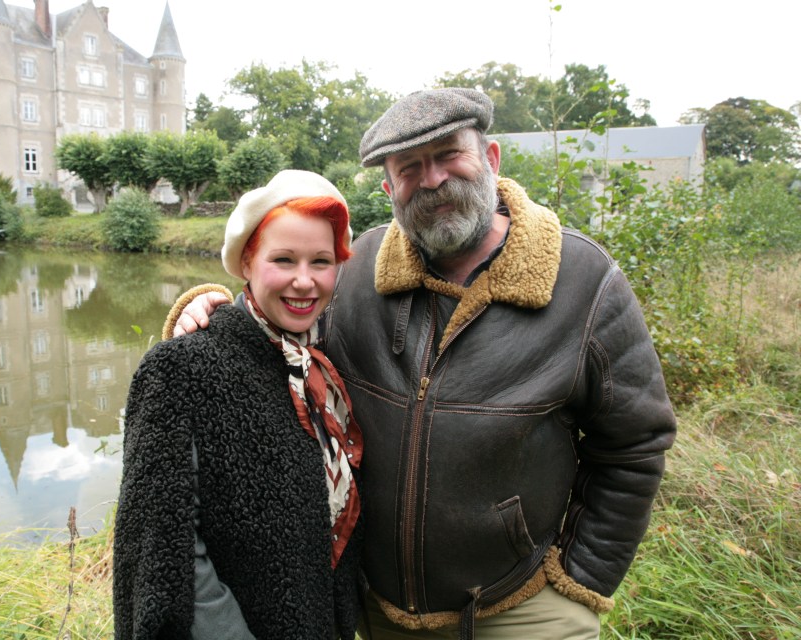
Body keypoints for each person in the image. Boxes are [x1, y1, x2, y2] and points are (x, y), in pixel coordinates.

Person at [170, 88, 677, 640]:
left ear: (491, 158)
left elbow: (635, 443)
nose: (432, 179)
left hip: (521, 608)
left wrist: (582, 581)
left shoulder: (584, 281)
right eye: (409, 168)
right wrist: (212, 312)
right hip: (379, 610)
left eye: (448, 155)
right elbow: (279, 335)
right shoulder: (358, 269)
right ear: (390, 190)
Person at [113, 170, 364, 640]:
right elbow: (166, 552)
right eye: (283, 259)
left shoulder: (322, 367)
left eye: (322, 261)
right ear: (247, 263)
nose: (304, 281)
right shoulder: (181, 368)